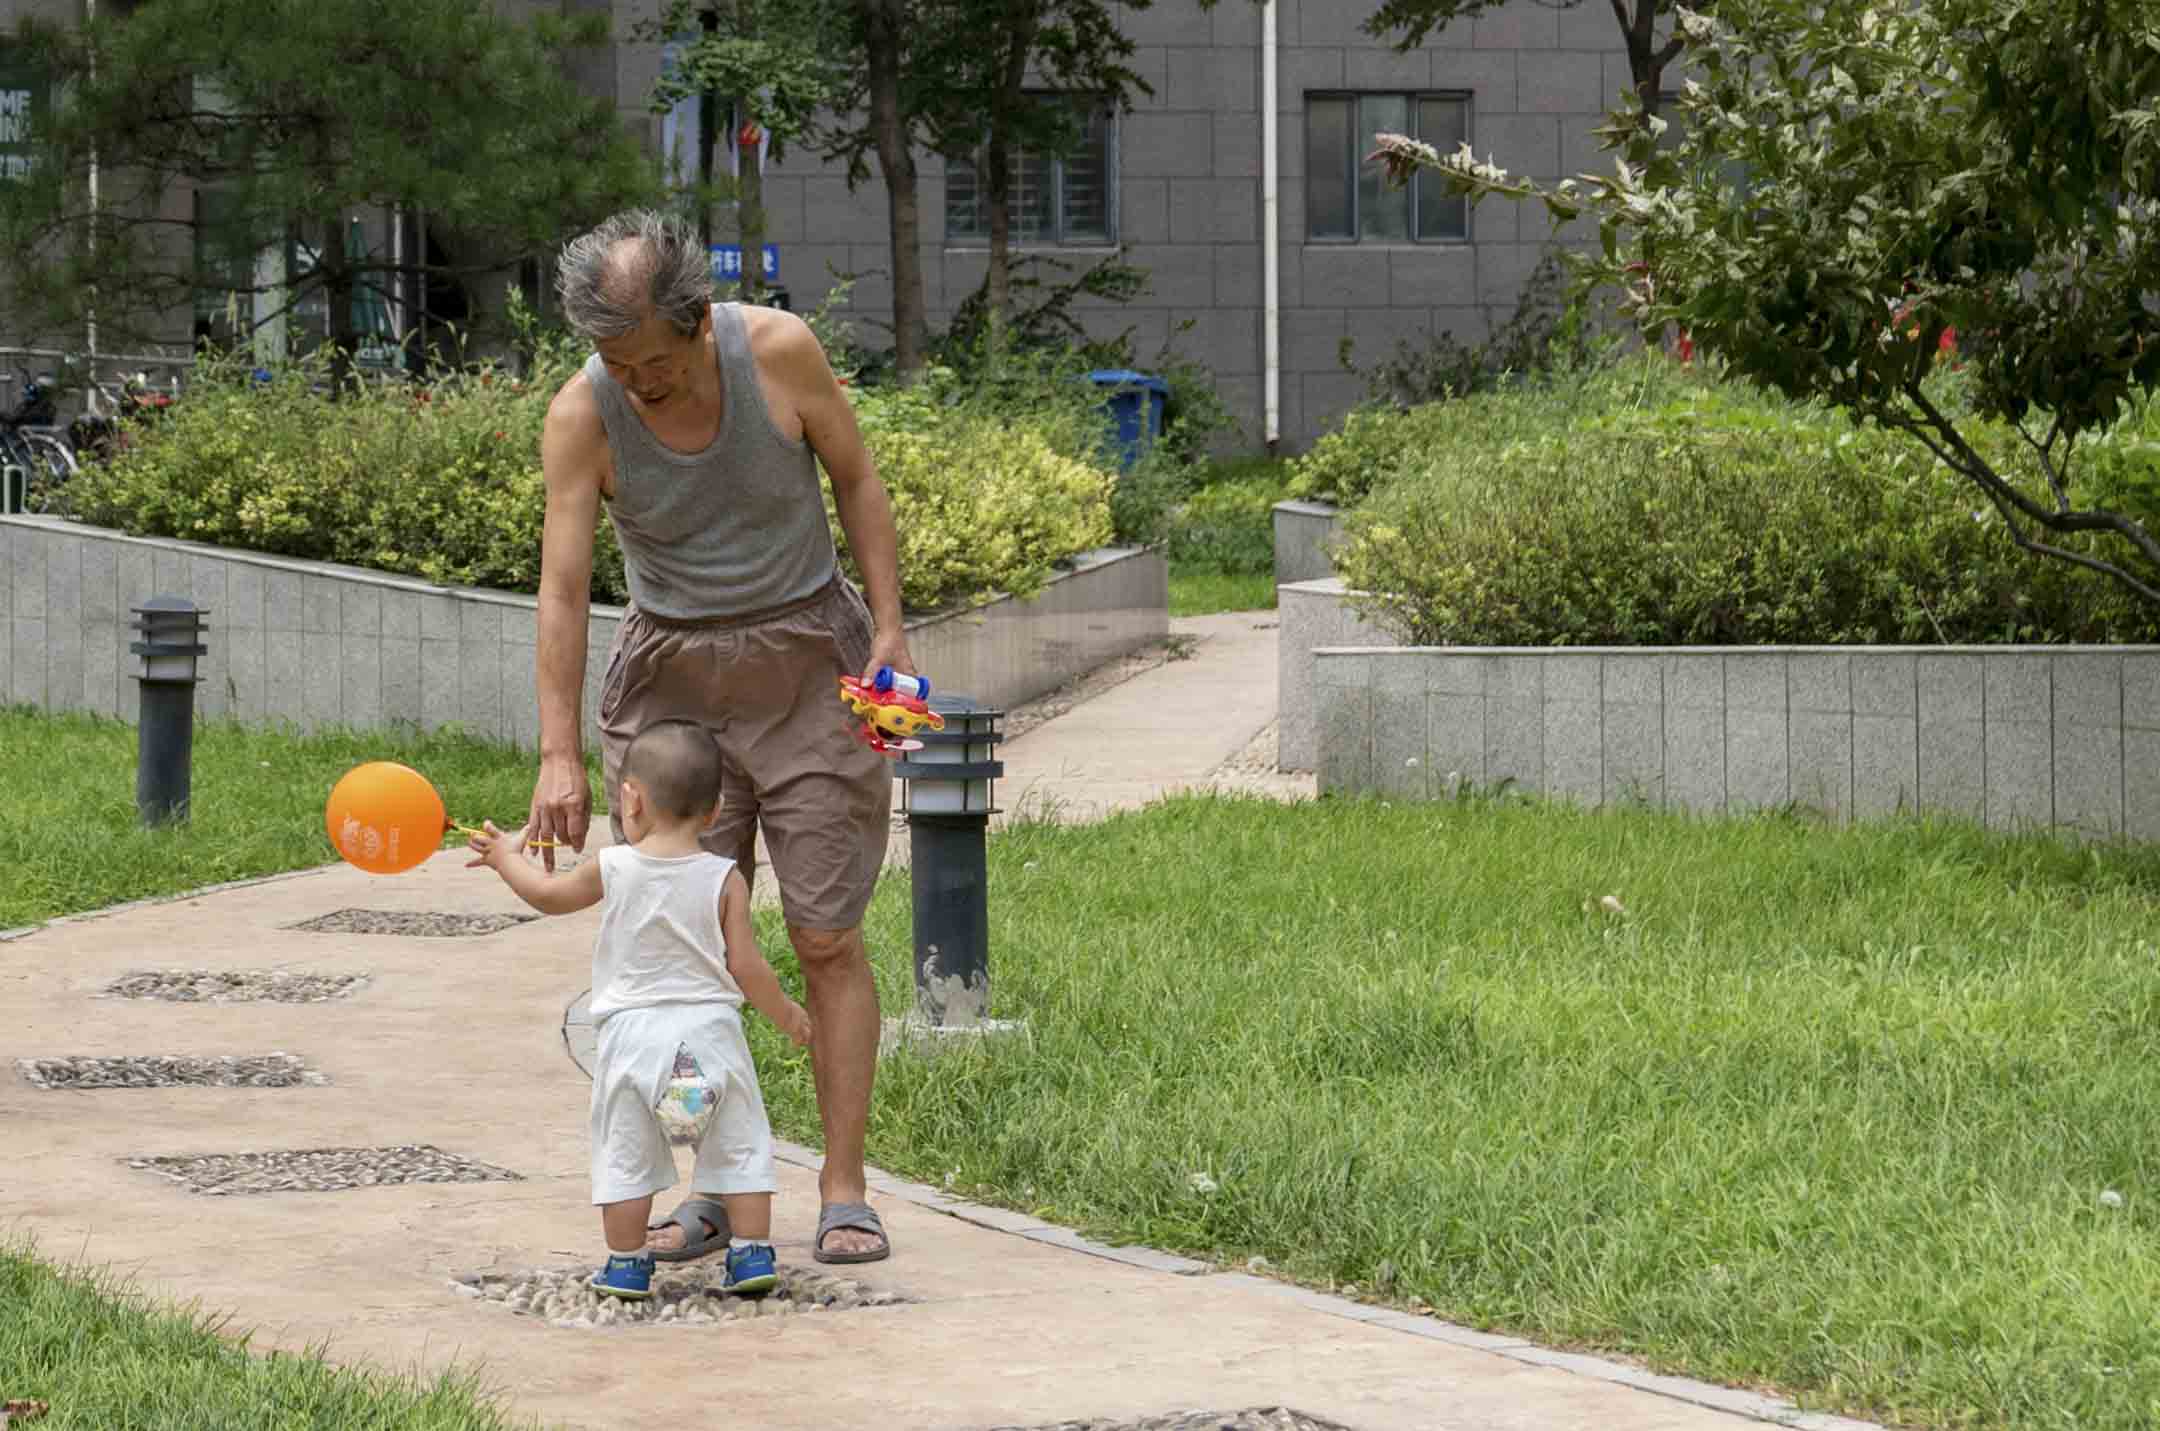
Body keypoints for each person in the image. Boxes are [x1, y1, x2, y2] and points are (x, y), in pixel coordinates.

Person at [523, 208, 907, 1264]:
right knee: (681, 955)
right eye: (613, 362)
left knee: (824, 935)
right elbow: (562, 592)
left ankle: (841, 1183)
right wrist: (558, 749)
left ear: (698, 323)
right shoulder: (581, 416)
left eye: (653, 361)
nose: (635, 385)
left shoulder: (777, 353)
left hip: (810, 667)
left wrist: (888, 627)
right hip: (672, 685)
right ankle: (716, 1186)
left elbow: (858, 481)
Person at [468, 719, 814, 1300]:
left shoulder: (614, 866)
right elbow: (747, 966)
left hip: (636, 1044)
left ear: (631, 799)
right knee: (738, 1141)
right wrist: (788, 1015)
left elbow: (550, 898)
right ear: (715, 810)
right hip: (709, 1043)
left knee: (625, 1149)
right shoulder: (725, 878)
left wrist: (507, 858)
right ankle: (752, 1253)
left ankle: (627, 1262)